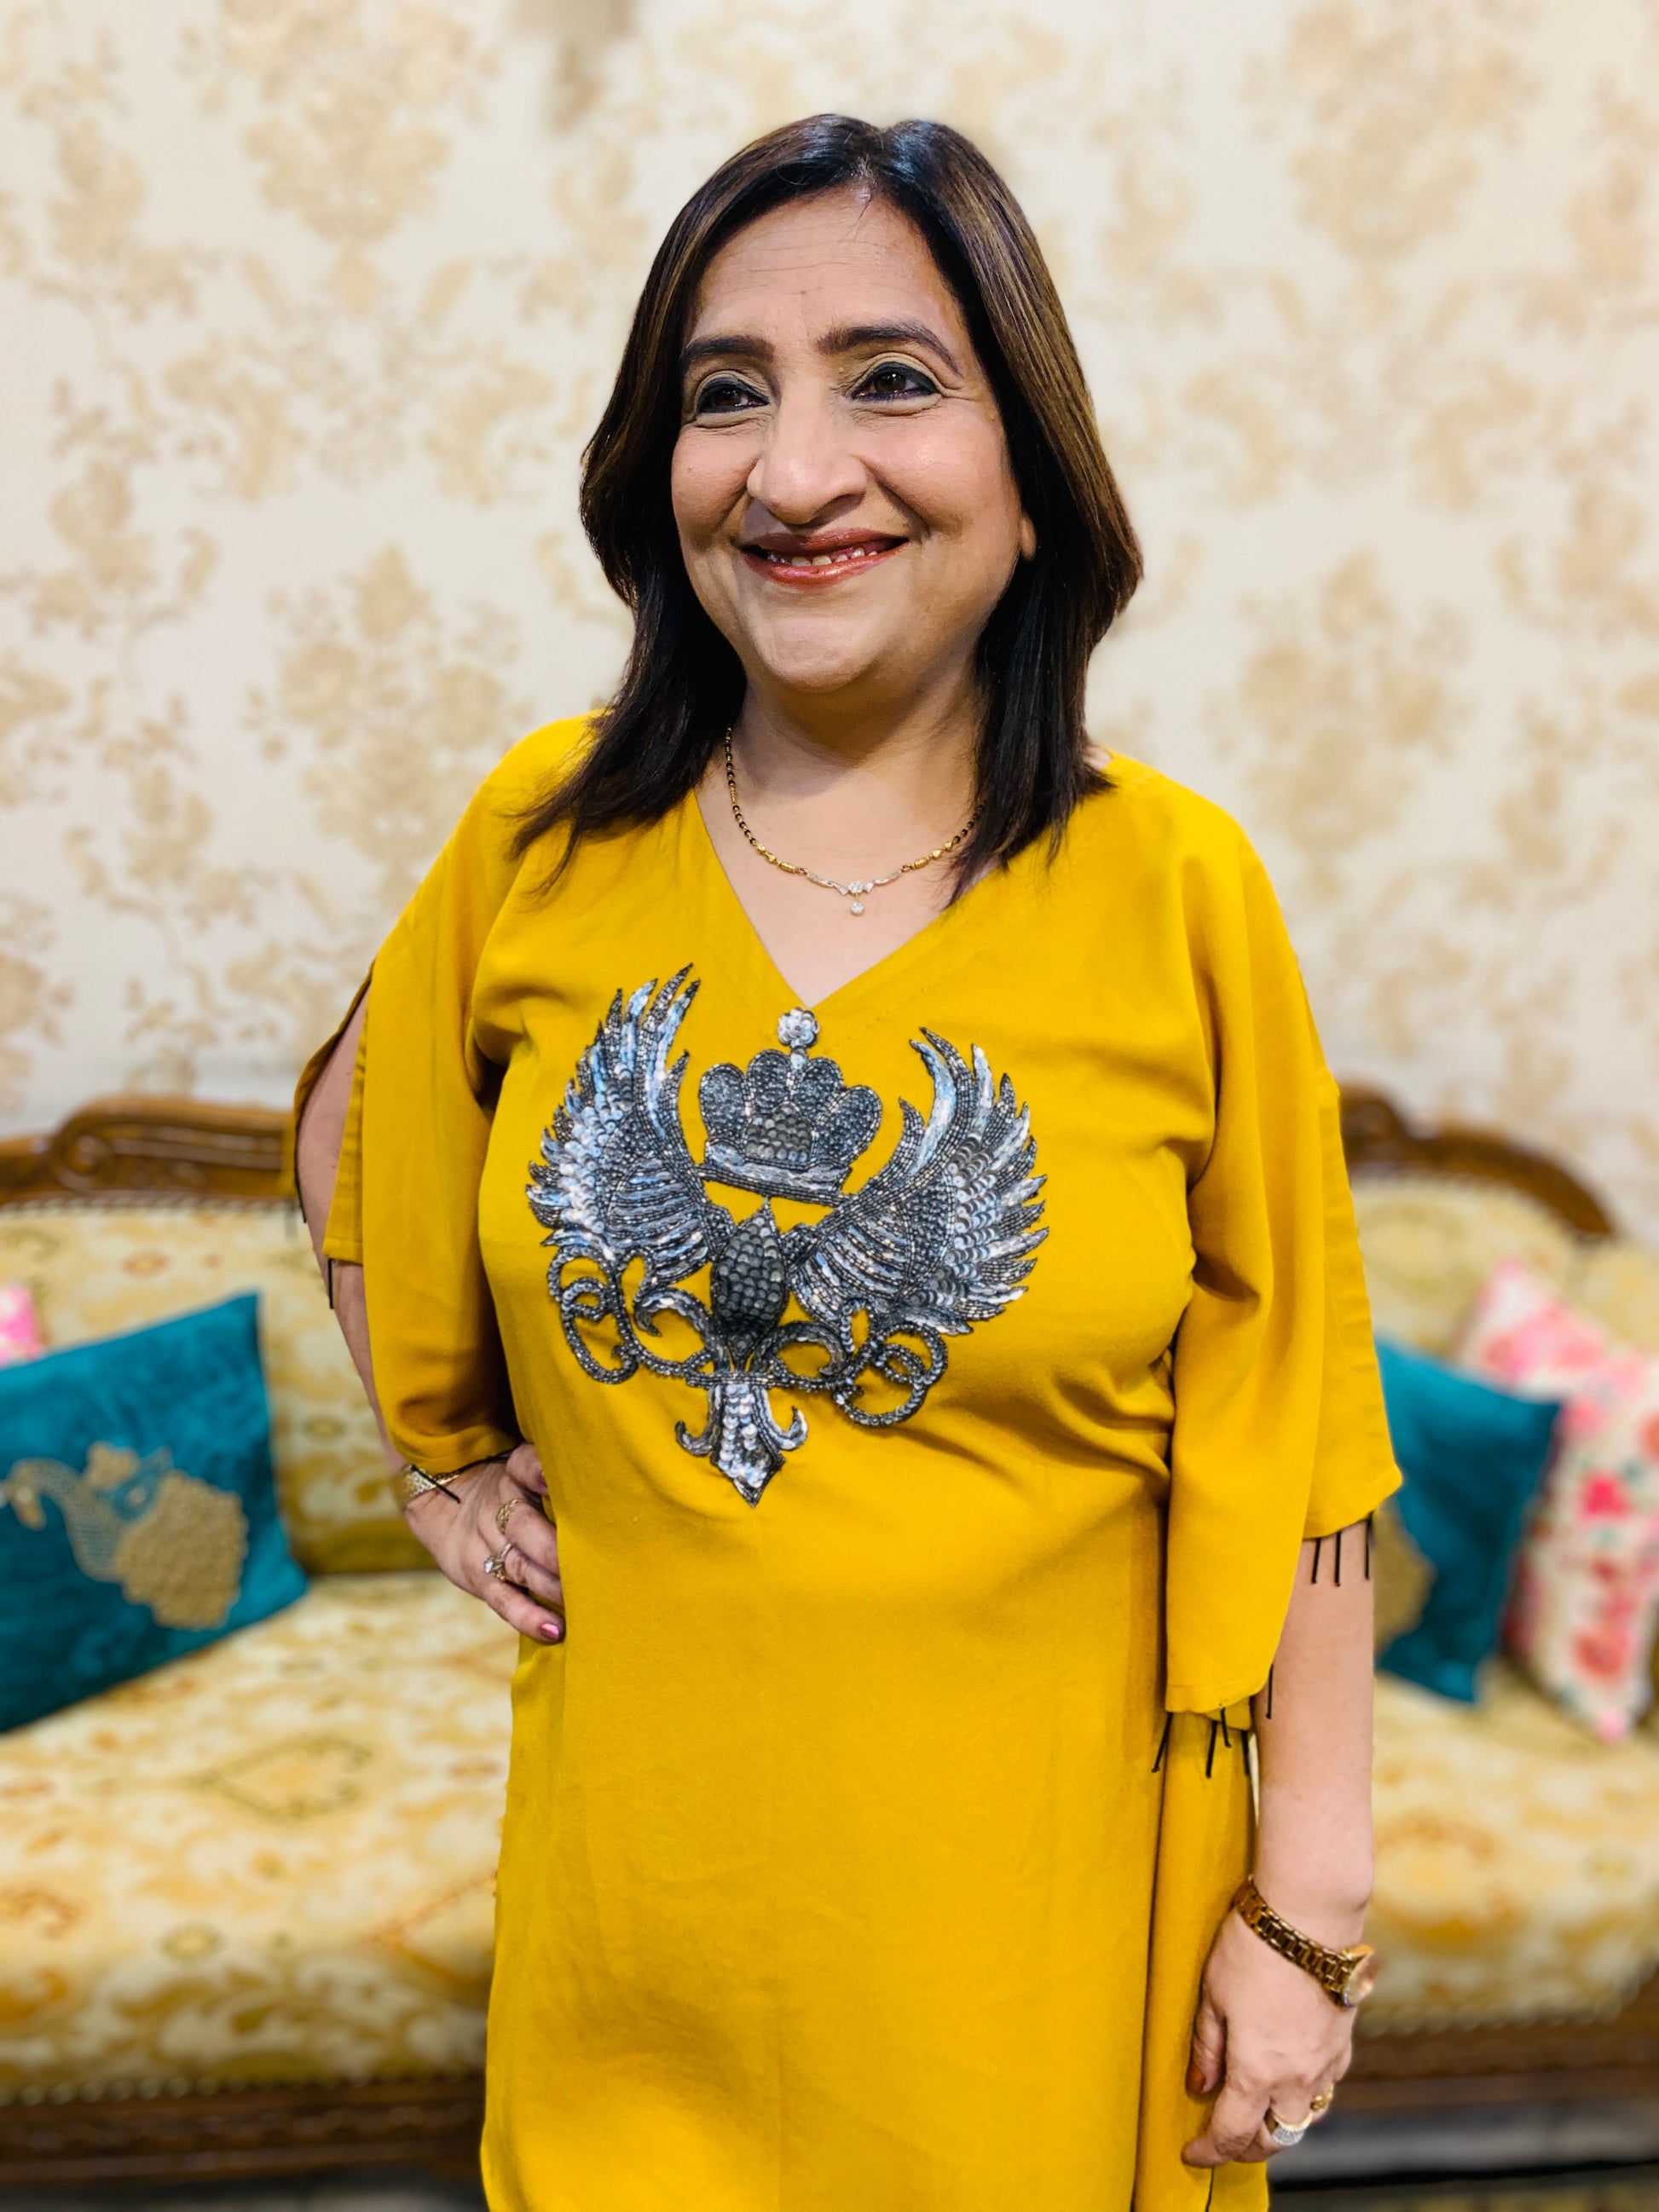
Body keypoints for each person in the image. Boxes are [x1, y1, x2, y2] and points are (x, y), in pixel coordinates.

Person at [295, 113, 1396, 2212]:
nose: (796, 472)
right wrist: (435, 1457)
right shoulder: (543, 838)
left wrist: (1308, 1903)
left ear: (1029, 468)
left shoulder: (1173, 887)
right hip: (643, 1930)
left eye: (890, 379)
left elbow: (1300, 1424)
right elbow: (360, 1120)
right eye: (726, 394)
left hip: (1051, 1927)